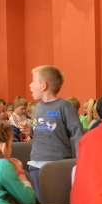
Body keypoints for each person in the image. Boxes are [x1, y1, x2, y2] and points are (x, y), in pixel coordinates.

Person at [28, 65, 83, 196]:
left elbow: (78, 134)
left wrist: (81, 160)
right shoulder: (37, 108)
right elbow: (38, 131)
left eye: (33, 81)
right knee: (38, 201)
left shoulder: (65, 106)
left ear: (43, 85)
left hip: (58, 163)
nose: (30, 85)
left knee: (57, 200)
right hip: (36, 162)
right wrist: (30, 131)